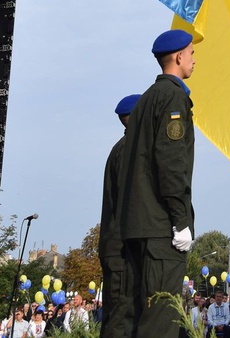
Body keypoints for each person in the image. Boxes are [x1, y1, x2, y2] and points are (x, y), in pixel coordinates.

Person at [118, 29, 197, 338]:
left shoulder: (146, 101)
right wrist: (180, 219)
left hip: (138, 227)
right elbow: (171, 162)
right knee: (161, 321)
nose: (193, 60)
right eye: (191, 54)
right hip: (160, 228)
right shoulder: (173, 97)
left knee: (141, 317)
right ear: (178, 57)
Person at [98, 93, 140, 338]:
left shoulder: (125, 148)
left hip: (120, 249)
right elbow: (131, 200)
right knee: (119, 319)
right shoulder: (127, 152)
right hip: (121, 251)